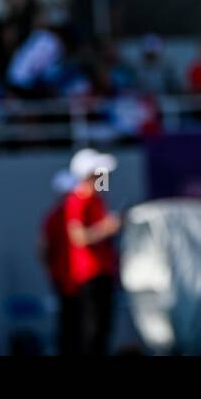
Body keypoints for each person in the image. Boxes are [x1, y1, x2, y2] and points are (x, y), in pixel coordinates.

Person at [60, 148, 122, 355]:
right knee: (91, 330)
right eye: (98, 173)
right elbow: (78, 237)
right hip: (89, 274)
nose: (103, 177)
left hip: (103, 272)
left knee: (103, 328)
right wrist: (107, 228)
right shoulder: (78, 200)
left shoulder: (96, 200)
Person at [39, 169, 77, 353]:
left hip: (72, 278)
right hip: (66, 279)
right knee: (71, 323)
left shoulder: (58, 216)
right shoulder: (56, 218)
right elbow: (43, 249)